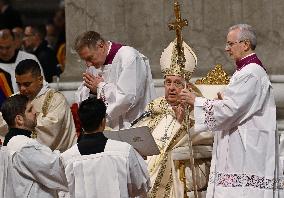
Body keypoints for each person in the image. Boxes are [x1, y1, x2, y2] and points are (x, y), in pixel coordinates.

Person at [180, 24, 277, 198]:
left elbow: (231, 110)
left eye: (230, 44)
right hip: (238, 143)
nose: (227, 49)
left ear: (245, 44)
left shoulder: (250, 73)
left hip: (245, 149)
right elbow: (235, 105)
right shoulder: (245, 71)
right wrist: (218, 101)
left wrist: (197, 101)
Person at [134, 40, 213, 197]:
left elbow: (206, 134)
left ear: (186, 87)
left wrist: (183, 123)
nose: (171, 87)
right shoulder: (156, 106)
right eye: (168, 82)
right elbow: (141, 130)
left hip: (172, 160)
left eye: (177, 83)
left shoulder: (195, 106)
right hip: (147, 157)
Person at [61, 97, 151, 198]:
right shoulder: (124, 151)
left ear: (81, 123)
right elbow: (142, 186)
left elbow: (64, 193)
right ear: (103, 122)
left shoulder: (67, 158)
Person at [74, 30, 156, 130]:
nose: (88, 64)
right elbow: (83, 96)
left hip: (133, 124)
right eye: (85, 60)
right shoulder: (94, 65)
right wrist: (92, 91)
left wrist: (101, 87)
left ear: (101, 46)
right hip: (108, 129)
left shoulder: (128, 57)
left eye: (89, 58)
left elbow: (128, 97)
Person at [0, 59, 77, 152]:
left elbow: (51, 128)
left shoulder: (56, 99)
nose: (22, 89)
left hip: (53, 159)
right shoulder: (14, 98)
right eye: (19, 84)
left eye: (27, 84)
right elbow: (3, 123)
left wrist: (19, 123)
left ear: (40, 79)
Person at [0, 94, 68, 197]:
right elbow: (55, 169)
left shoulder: (10, 142)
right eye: (30, 110)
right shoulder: (25, 147)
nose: (35, 112)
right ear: (19, 119)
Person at [0, 28, 42, 93]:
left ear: (14, 42)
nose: (4, 52)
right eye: (0, 47)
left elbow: (42, 85)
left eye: (8, 47)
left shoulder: (29, 59)